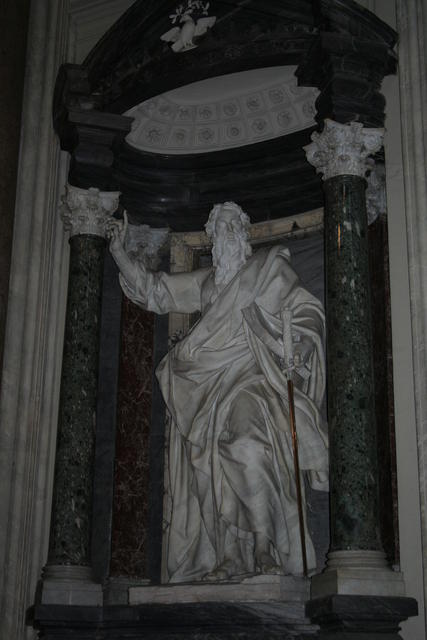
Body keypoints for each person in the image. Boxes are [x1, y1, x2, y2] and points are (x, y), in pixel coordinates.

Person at [107, 202, 328, 583]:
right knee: (208, 468)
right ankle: (228, 554)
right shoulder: (206, 282)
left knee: (246, 446)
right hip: (204, 389)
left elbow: (306, 311)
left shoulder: (268, 270)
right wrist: (119, 254)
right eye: (217, 230)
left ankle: (263, 544)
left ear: (243, 235)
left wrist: (303, 345)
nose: (222, 238)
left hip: (252, 382)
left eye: (230, 229)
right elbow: (156, 291)